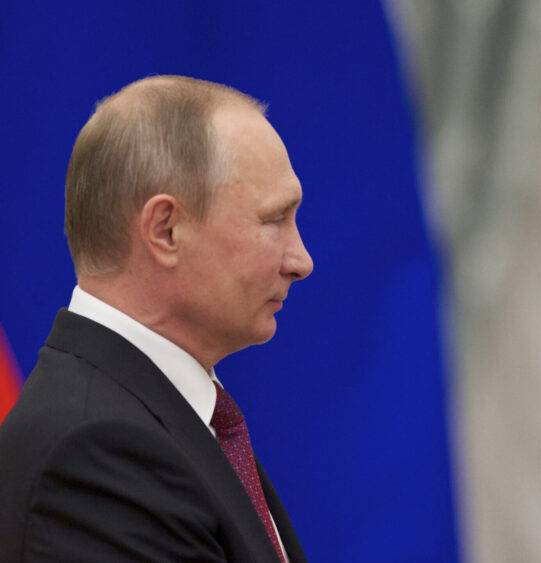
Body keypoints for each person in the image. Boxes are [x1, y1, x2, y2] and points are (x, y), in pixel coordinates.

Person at [0, 76, 312, 562]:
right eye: (274, 220)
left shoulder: (156, 417)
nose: (301, 260)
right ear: (166, 230)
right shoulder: (93, 452)